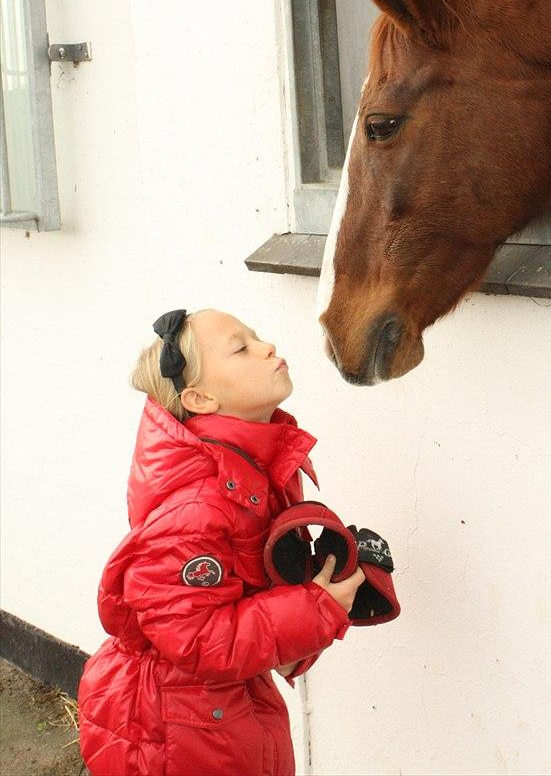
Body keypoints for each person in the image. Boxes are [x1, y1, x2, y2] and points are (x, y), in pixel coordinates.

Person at [78, 308, 364, 776]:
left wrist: (324, 591)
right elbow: (199, 639)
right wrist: (314, 610)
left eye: (256, 336)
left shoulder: (253, 469)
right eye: (241, 347)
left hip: (216, 711)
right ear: (200, 398)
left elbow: (248, 594)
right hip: (171, 731)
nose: (267, 347)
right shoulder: (197, 507)